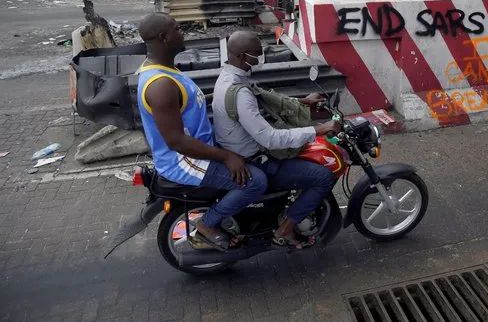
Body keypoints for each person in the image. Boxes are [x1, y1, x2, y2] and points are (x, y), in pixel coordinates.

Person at [136, 13, 267, 251]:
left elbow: (187, 105)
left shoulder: (167, 70)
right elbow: (176, 141)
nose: (182, 32)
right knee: (255, 181)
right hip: (183, 160)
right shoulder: (161, 84)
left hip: (197, 148)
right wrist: (227, 156)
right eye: (177, 29)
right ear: (164, 37)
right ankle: (207, 225)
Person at [212, 30, 341, 249]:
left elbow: (264, 96)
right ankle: (285, 229)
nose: (261, 56)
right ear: (244, 56)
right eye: (258, 52)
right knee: (322, 177)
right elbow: (270, 139)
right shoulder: (239, 92)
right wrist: (319, 128)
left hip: (240, 148)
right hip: (255, 158)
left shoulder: (229, 77)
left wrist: (302, 102)